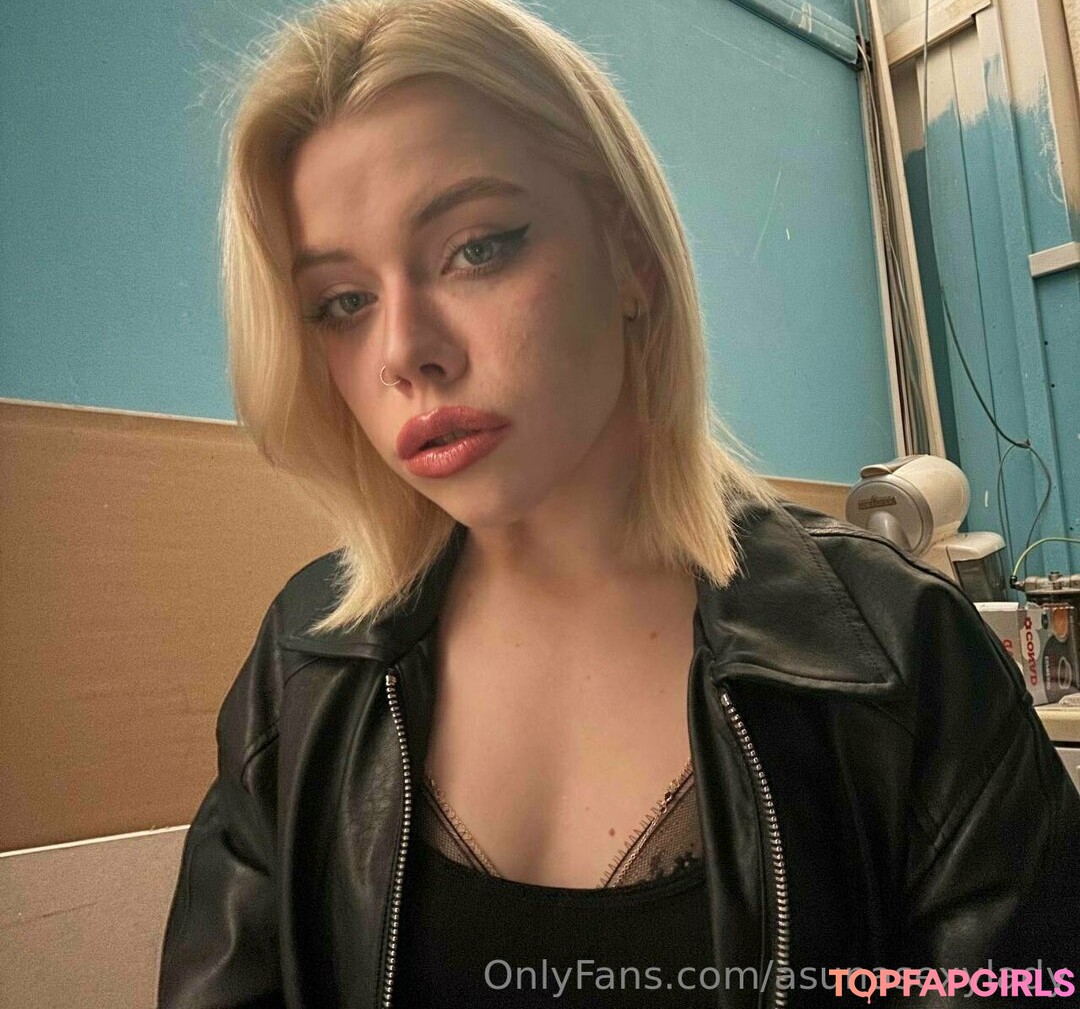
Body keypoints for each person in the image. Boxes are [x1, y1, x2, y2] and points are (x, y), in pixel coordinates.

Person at [158, 0, 1080, 1005]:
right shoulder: (303, 666)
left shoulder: (901, 652)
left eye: (476, 247)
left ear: (632, 259)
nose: (404, 351)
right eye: (344, 301)